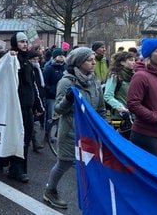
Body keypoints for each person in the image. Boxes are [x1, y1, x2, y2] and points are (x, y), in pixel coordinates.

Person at [43, 47, 106, 209]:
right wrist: (68, 99)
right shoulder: (66, 82)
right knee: (64, 163)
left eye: (93, 59)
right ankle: (50, 191)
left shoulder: (95, 81)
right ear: (78, 62)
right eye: (89, 60)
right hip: (71, 131)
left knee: (91, 165)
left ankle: (91, 197)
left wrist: (105, 128)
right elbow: (57, 109)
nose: (93, 63)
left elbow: (100, 109)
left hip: (91, 132)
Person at [0, 32, 43, 183]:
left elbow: (32, 86)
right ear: (15, 43)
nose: (25, 44)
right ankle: (16, 170)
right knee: (18, 138)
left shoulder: (28, 62)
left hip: (27, 107)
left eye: (26, 42)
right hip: (15, 107)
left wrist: (37, 105)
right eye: (21, 42)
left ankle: (3, 160)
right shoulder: (11, 59)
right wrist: (9, 57)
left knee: (25, 138)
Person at [127, 38, 157, 160]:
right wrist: (156, 117)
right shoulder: (141, 76)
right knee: (151, 174)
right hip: (146, 133)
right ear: (149, 54)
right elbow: (133, 104)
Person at [103, 51, 136, 138]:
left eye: (134, 60)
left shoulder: (135, 75)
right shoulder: (115, 76)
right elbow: (107, 96)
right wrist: (121, 108)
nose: (134, 62)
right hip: (118, 117)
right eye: (130, 60)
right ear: (122, 62)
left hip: (133, 116)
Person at [43, 48, 66, 138]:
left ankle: (58, 133)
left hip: (62, 96)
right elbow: (44, 83)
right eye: (59, 55)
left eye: (62, 55)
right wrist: (51, 90)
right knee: (51, 116)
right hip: (51, 96)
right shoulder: (49, 68)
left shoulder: (65, 67)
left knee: (61, 116)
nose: (61, 57)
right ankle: (48, 134)